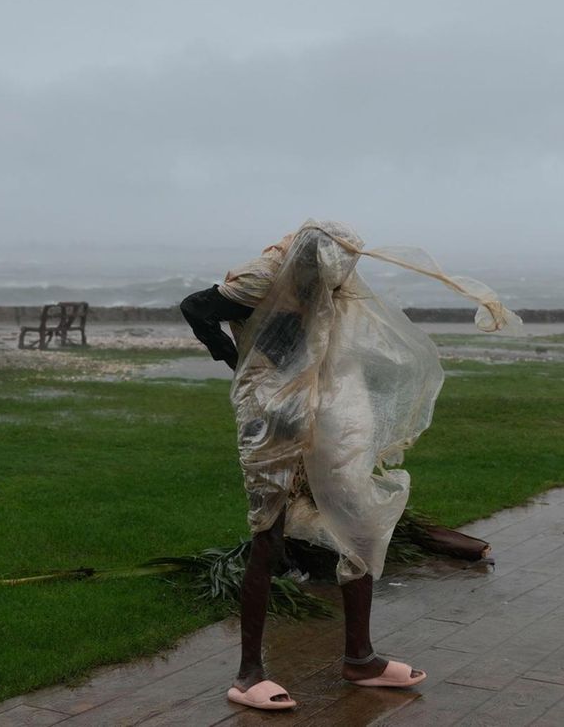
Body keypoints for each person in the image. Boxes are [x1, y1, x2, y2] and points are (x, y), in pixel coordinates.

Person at [180, 220, 519, 711]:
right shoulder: (262, 278)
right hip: (272, 414)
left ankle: (360, 658)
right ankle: (248, 673)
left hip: (326, 404)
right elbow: (196, 307)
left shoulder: (339, 277)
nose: (343, 276)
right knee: (268, 535)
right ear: (308, 260)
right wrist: (240, 361)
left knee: (358, 524)